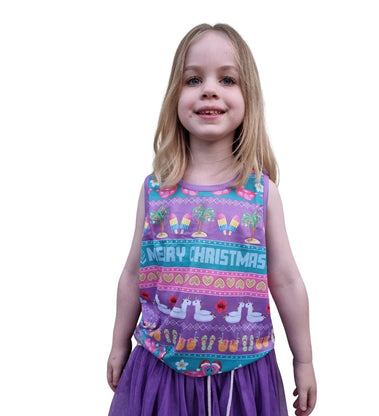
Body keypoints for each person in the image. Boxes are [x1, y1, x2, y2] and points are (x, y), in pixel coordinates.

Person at [107, 23, 316, 416]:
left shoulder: (261, 193)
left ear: (248, 97)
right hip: (160, 369)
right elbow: (134, 274)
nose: (209, 89)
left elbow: (286, 278)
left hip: (244, 376)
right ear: (175, 96)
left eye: (227, 79)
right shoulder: (155, 191)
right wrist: (119, 345)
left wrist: (303, 359)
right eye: (193, 79)